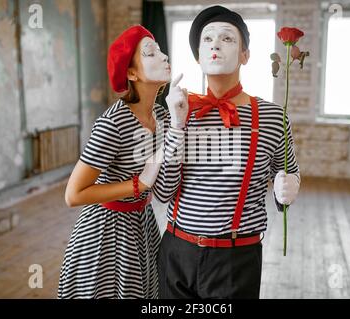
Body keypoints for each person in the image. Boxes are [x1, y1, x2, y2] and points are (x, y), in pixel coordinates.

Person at [153, 6, 301, 299]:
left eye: (227, 39)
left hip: (236, 259)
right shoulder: (177, 112)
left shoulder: (272, 117)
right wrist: (178, 127)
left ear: (245, 55)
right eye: (207, 40)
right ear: (198, 57)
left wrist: (288, 189)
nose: (215, 44)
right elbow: (163, 192)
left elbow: (289, 173)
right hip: (176, 253)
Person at [58, 25, 171, 299]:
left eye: (160, 50)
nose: (164, 56)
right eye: (151, 53)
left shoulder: (163, 116)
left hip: (142, 223)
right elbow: (73, 194)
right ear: (131, 73)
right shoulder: (113, 124)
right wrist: (139, 184)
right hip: (104, 232)